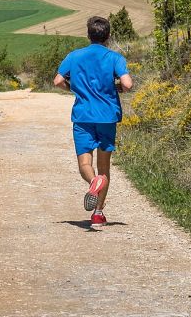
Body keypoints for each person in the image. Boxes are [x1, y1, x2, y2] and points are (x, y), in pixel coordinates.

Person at [53, 16, 133, 230]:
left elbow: (58, 81)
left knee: (85, 164)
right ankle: (98, 213)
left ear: (88, 35)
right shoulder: (115, 57)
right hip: (107, 116)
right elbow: (127, 84)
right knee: (104, 166)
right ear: (107, 36)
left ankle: (92, 183)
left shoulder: (74, 56)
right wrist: (115, 88)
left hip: (83, 116)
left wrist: (74, 88)